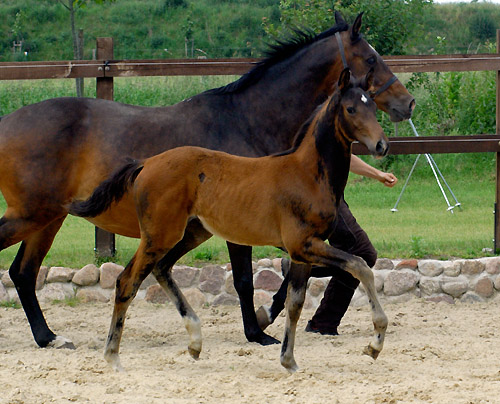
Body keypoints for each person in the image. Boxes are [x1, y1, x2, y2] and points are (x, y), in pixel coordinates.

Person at [274, 155, 398, 336]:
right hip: (320, 192)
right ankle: (322, 320)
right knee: (362, 253)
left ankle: (321, 318)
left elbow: (341, 153)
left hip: (325, 190)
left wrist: (377, 174)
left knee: (359, 254)